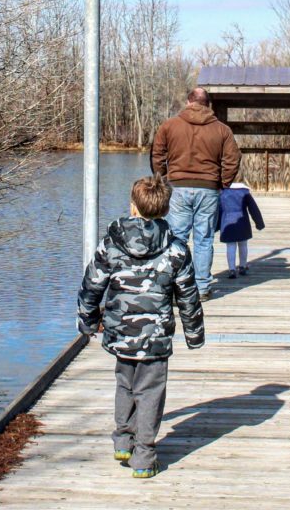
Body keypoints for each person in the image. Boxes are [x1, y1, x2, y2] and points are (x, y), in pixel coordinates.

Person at [77, 175, 204, 479]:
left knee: (125, 382)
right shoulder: (176, 250)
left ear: (132, 207)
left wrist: (88, 321)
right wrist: (194, 334)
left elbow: (91, 285)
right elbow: (188, 295)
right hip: (156, 336)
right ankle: (144, 455)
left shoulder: (111, 245)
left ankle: (123, 439)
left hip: (121, 331)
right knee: (150, 392)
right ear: (165, 210)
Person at [151, 86, 240, 300]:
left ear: (189, 102)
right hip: (209, 189)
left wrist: (163, 177)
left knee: (177, 238)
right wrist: (222, 183)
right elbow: (233, 159)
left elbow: (157, 153)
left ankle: (175, 288)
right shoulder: (222, 130)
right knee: (204, 240)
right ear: (207, 104)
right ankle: (201, 288)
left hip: (178, 187)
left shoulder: (169, 126)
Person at [219, 169, 265, 277]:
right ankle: (243, 266)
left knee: (230, 246)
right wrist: (259, 223)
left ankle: (231, 269)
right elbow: (253, 209)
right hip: (242, 221)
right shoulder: (245, 192)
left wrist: (214, 226)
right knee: (243, 244)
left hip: (227, 222)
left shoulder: (223, 192)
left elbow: (218, 209)